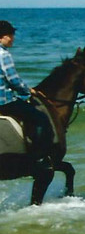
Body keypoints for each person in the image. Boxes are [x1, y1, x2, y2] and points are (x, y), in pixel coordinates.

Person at [0, 20, 54, 159]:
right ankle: (37, 158)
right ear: (3, 36)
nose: (13, 38)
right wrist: (28, 91)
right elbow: (13, 79)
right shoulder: (3, 54)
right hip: (4, 102)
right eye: (11, 35)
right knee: (41, 118)